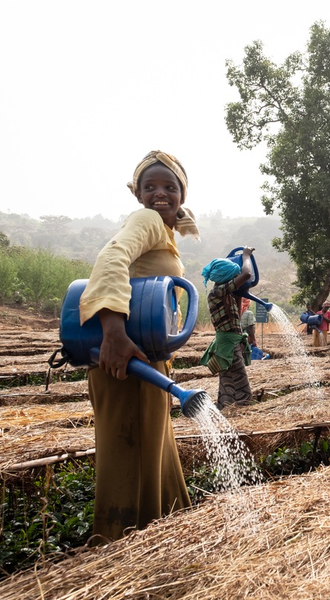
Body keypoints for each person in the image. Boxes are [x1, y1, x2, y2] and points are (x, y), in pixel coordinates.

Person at [78, 150, 200, 543]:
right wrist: (113, 331)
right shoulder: (146, 220)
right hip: (123, 360)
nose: (159, 194)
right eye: (150, 187)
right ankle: (121, 550)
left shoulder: (165, 232)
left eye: (169, 187)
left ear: (182, 193)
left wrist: (165, 374)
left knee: (155, 456)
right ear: (138, 194)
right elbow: (111, 256)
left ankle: (161, 541)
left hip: (145, 363)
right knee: (129, 462)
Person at [199, 249, 255, 410]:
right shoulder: (217, 292)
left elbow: (236, 316)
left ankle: (225, 411)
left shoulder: (225, 294)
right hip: (227, 346)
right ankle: (241, 415)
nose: (235, 280)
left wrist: (239, 293)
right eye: (233, 277)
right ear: (226, 277)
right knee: (242, 386)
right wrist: (246, 256)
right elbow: (246, 274)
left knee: (228, 383)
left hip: (231, 343)